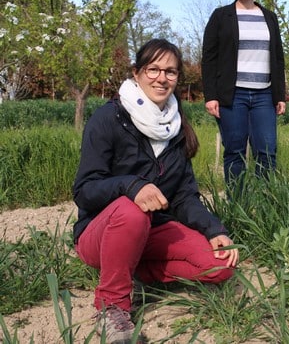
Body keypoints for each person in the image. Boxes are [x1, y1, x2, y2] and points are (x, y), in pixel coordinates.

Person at [73, 39, 239, 343]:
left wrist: (214, 229)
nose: (162, 78)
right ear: (137, 73)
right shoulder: (109, 119)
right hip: (101, 232)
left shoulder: (176, 126)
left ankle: (131, 269)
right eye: (153, 69)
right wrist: (131, 185)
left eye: (171, 72)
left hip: (153, 231)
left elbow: (184, 196)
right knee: (132, 210)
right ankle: (112, 306)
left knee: (221, 265)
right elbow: (84, 191)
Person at [202, 0, 286, 188]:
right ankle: (237, 205)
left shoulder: (269, 17)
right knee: (235, 151)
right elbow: (209, 58)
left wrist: (279, 95)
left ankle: (265, 204)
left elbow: (277, 57)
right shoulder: (221, 17)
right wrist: (210, 96)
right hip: (233, 95)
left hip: (264, 96)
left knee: (267, 151)